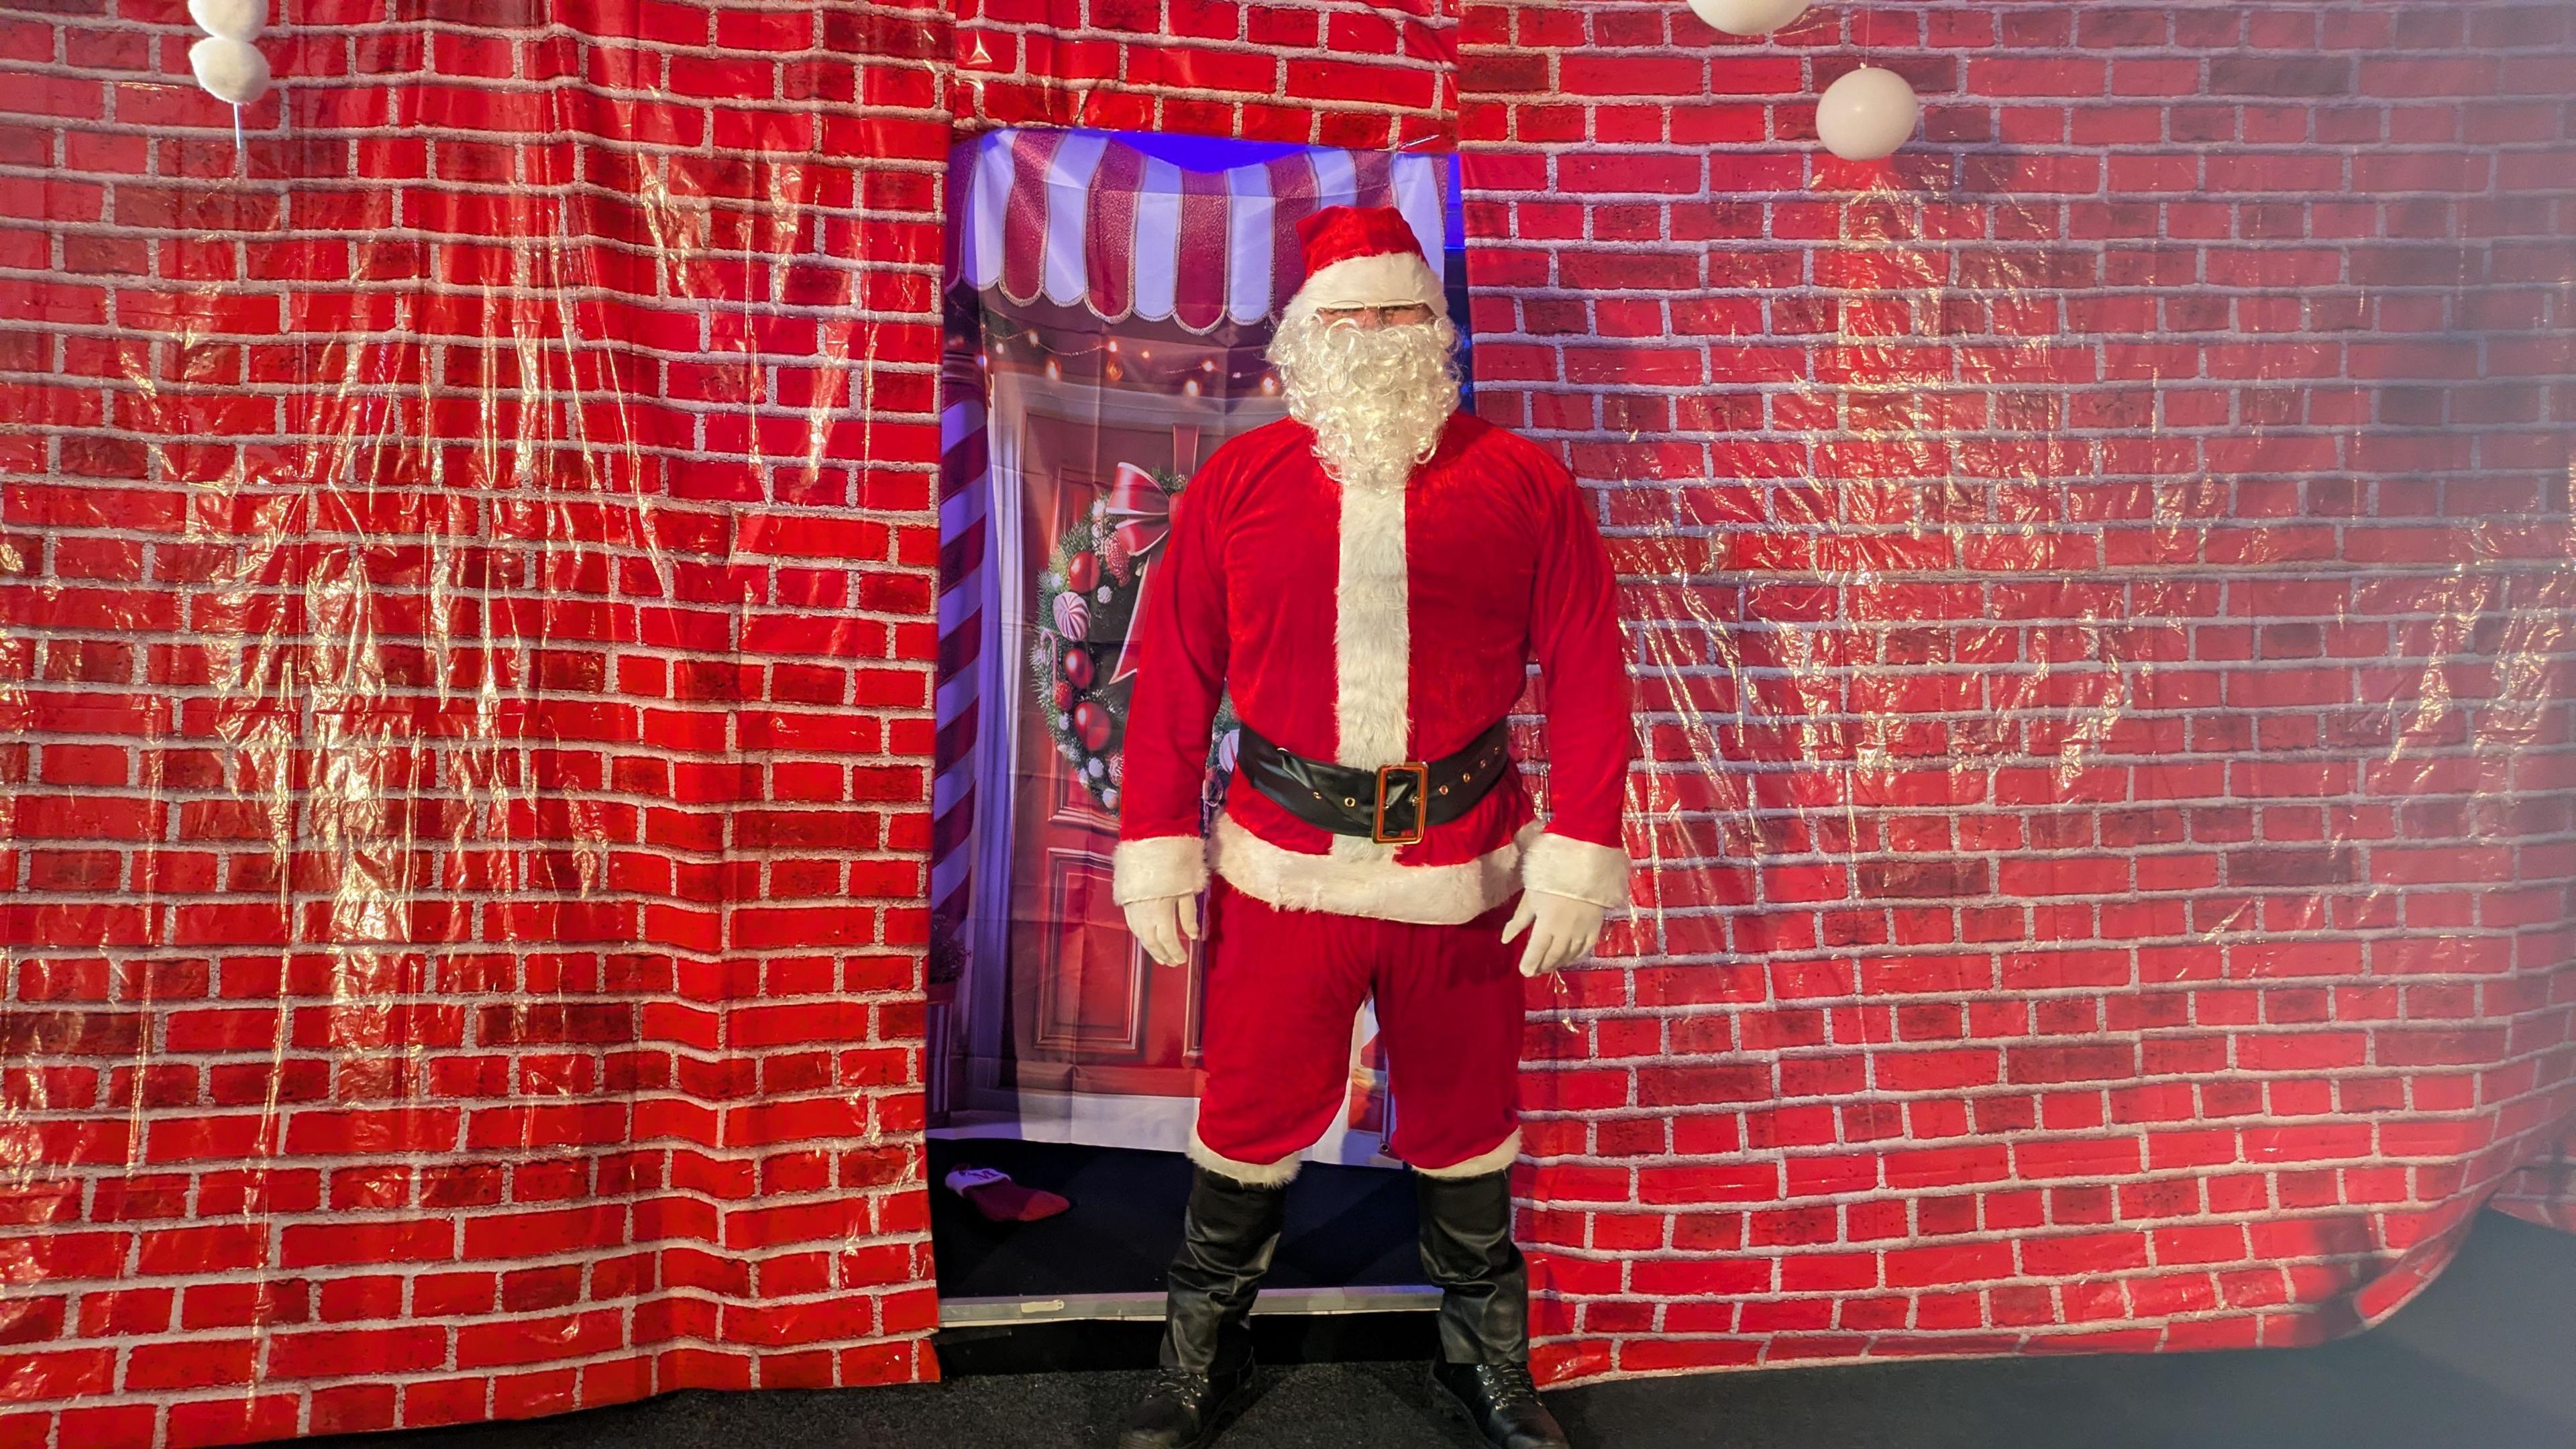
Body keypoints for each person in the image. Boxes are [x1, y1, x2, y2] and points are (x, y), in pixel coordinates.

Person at [1109, 204, 1635, 1449]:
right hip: (1282, 862)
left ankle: (1490, 1368)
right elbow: (1176, 673)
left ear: (1433, 330)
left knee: (1466, 1122)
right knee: (1244, 1117)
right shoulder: (1240, 480)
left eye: (1399, 312)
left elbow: (1591, 666)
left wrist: (1578, 855)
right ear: (1305, 338)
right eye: (1348, 317)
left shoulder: (1522, 481)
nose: (1375, 336)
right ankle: (1197, 1364)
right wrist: (1154, 845)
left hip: (1462, 863)